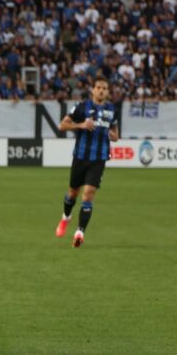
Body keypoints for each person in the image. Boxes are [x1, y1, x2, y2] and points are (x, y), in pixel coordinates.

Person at [54, 77, 119, 247]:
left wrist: (113, 136)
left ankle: (79, 232)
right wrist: (81, 125)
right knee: (72, 194)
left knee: (88, 193)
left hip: (99, 159)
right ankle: (66, 217)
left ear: (108, 91)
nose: (101, 90)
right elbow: (62, 125)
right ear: (93, 90)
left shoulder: (112, 110)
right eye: (98, 87)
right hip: (81, 157)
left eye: (104, 88)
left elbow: (115, 134)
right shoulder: (82, 106)